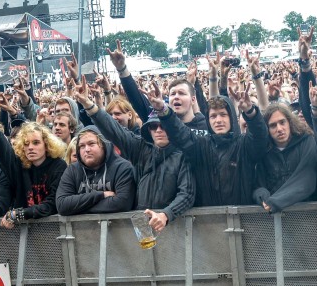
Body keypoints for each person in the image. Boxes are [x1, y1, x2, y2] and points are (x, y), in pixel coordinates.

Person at [72, 77, 195, 230]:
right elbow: (114, 130)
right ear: (148, 129)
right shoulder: (140, 149)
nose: (158, 130)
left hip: (174, 226)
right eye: (153, 126)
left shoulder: (184, 154)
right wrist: (88, 104)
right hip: (142, 226)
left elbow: (187, 193)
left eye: (163, 126)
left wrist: (166, 215)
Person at [150, 77, 269, 207]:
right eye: (213, 116)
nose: (218, 120)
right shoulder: (200, 145)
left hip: (244, 220)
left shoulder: (244, 144)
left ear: (232, 118)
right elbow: (179, 133)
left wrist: (250, 111)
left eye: (223, 114)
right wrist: (163, 110)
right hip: (209, 222)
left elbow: (260, 136)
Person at [0, 102, 66, 227]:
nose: (30, 147)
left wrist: (18, 214)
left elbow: (51, 205)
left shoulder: (59, 166)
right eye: (26, 144)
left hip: (54, 231)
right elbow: (3, 151)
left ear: (46, 145)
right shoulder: (19, 166)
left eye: (36, 143)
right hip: (25, 233)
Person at [252, 103, 317, 212]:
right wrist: (262, 196)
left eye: (282, 122)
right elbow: (257, 186)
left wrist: (275, 201)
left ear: (289, 122)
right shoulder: (264, 151)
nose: (279, 129)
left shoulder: (307, 141)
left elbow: (306, 180)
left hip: (308, 214)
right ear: (267, 129)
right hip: (275, 218)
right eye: (273, 125)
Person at [55, 126, 137, 216]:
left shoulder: (122, 167)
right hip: (81, 229)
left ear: (103, 145)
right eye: (82, 146)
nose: (87, 149)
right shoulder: (72, 170)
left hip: (118, 228)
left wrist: (77, 208)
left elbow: (122, 203)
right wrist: (101, 195)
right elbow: (62, 205)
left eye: (91, 144)